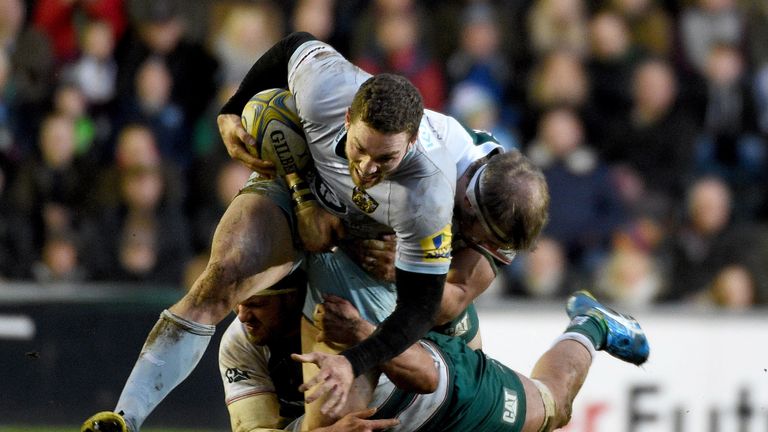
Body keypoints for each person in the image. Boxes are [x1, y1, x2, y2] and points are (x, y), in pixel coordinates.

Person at [81, 32, 548, 431]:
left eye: (384, 161)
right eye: (363, 150)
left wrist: (394, 282)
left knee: (338, 411)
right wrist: (232, 111)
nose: (367, 168)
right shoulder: (330, 89)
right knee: (221, 278)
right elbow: (294, 46)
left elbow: (433, 303)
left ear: (410, 146)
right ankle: (124, 418)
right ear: (348, 118)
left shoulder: (434, 196)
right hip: (307, 185)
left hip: (366, 259)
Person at [213, 270, 648, 432]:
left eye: (256, 304)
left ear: (293, 296)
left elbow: (454, 362)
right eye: (240, 303)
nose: (243, 316)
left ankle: (591, 325)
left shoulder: (363, 296)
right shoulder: (239, 343)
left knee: (554, 407)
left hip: (441, 396)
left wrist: (364, 336)